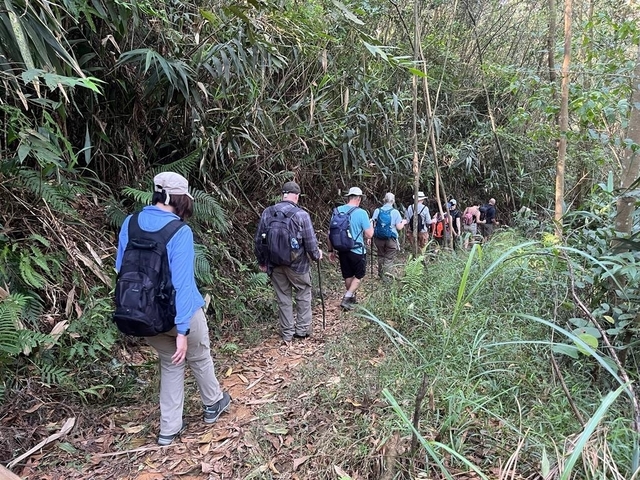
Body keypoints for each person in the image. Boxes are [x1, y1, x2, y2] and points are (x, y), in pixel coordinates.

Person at [115, 172, 230, 446]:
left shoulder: (130, 223)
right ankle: (213, 403)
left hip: (144, 314)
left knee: (170, 364)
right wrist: (181, 329)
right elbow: (181, 283)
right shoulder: (180, 230)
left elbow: (121, 270)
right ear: (178, 198)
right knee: (199, 356)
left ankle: (169, 430)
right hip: (181, 314)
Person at [254, 181, 323, 342]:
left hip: (275, 263)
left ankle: (287, 333)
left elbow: (258, 240)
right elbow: (310, 242)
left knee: (283, 297)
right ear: (297, 196)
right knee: (304, 293)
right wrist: (316, 255)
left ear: (283, 194)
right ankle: (302, 330)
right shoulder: (301, 215)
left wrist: (262, 261)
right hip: (298, 264)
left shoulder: (268, 212)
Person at [327, 187, 373, 310]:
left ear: (348, 197)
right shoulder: (362, 213)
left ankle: (351, 299)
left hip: (342, 250)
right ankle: (347, 297)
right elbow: (369, 234)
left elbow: (330, 232)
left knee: (348, 275)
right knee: (359, 276)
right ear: (359, 199)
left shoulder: (337, 211)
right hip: (357, 250)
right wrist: (371, 225)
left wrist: (330, 250)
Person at [371, 192, 408, 280]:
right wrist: (403, 222)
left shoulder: (377, 210)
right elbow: (399, 227)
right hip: (391, 238)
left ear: (384, 200)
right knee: (389, 258)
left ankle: (380, 275)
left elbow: (373, 224)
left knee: (380, 255)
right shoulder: (395, 212)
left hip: (378, 237)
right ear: (393, 201)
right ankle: (386, 278)